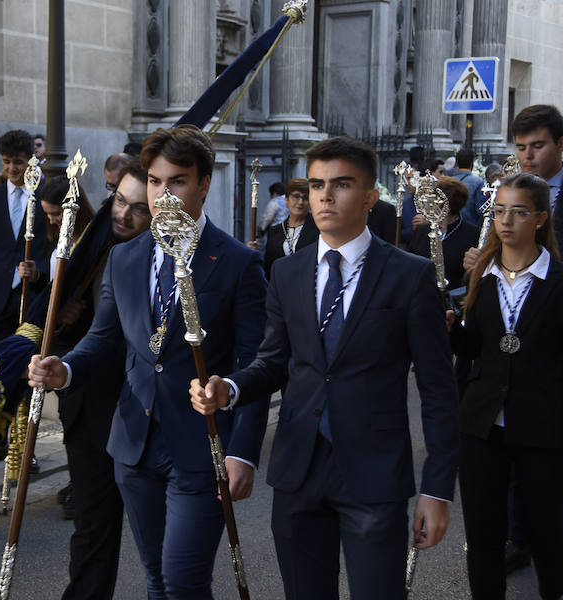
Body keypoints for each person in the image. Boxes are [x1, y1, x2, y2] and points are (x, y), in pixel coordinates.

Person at [189, 136, 460, 600]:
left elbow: (438, 390)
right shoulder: (286, 272)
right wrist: (230, 388)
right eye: (316, 185)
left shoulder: (409, 276)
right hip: (299, 470)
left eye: (341, 184)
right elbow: (274, 362)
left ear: (371, 198)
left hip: (374, 475)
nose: (325, 196)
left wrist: (437, 489)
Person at [29, 124, 269, 598]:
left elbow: (256, 363)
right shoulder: (125, 258)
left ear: (203, 184)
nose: (164, 193)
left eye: (177, 180)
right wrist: (66, 369)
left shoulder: (238, 262)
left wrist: (243, 451)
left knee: (183, 580)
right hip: (134, 444)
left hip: (202, 448)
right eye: (156, 182)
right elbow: (103, 340)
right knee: (156, 577)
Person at [464, 105, 563, 563]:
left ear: (560, 144)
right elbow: (499, 252)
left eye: (537, 145)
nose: (528, 156)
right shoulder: (507, 194)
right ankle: (521, 535)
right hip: (517, 338)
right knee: (516, 430)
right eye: (520, 147)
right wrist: (481, 263)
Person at [448, 173, 563, 600]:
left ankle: (554, 593)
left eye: (518, 212)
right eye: (499, 211)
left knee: (544, 529)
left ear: (540, 218)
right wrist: (451, 331)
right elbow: (476, 347)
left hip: (543, 426)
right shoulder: (484, 274)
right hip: (482, 427)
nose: (506, 221)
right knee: (483, 534)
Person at [51, 159, 153, 599]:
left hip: (147, 408)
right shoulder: (84, 247)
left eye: (138, 209)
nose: (123, 215)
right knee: (93, 525)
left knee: (162, 538)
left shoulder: (163, 256)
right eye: (118, 201)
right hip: (91, 403)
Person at [0, 129, 50, 347]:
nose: (11, 168)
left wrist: (39, 273)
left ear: (30, 160)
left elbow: (51, 247)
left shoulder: (44, 196)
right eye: (6, 161)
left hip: (33, 297)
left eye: (18, 162)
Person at [408, 175, 480, 291]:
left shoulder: (473, 234)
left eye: (432, 199)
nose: (426, 204)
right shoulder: (422, 230)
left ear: (447, 205)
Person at [249, 177, 318, 276]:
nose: (300, 202)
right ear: (286, 200)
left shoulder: (319, 230)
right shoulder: (274, 231)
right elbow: (268, 267)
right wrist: (253, 254)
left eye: (305, 198)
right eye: (296, 196)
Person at [453, 148, 487, 227]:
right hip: (471, 226)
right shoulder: (478, 182)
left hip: (452, 228)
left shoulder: (450, 181)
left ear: (456, 163)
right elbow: (481, 209)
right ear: (472, 163)